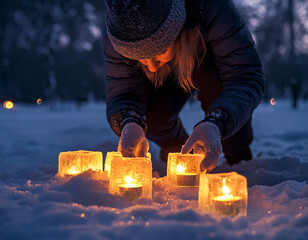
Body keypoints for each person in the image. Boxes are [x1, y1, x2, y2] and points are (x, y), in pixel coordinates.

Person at [103, 0, 264, 172]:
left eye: (160, 51)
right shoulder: (119, 30)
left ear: (177, 28)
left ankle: (238, 155)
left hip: (211, 63)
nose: (151, 66)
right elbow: (125, 91)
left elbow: (243, 76)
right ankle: (176, 148)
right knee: (148, 116)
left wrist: (216, 123)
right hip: (165, 79)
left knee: (222, 94)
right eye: (139, 58)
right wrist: (129, 122)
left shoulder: (212, 9)